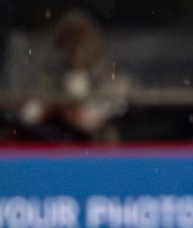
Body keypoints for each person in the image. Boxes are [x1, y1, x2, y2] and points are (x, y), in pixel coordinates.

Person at [18, 11, 129, 142]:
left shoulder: (112, 76)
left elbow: (88, 120)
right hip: (50, 148)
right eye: (68, 37)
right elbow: (28, 114)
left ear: (95, 41)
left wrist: (77, 69)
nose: (75, 45)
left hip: (98, 151)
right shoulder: (50, 72)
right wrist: (56, 110)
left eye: (81, 37)